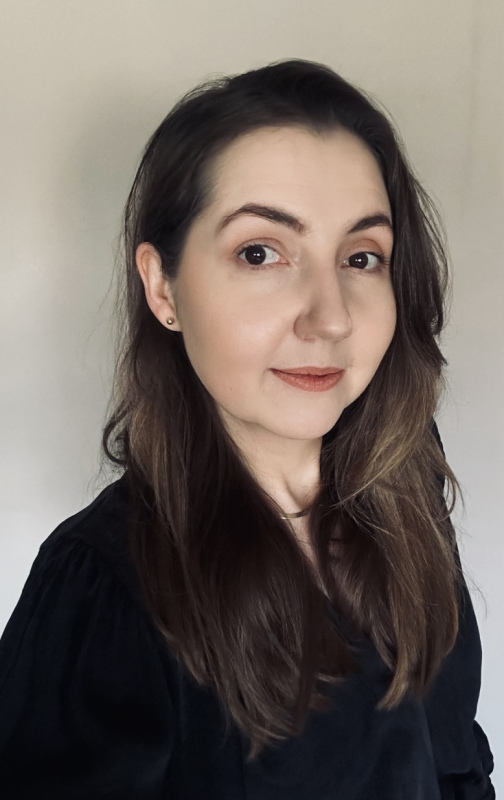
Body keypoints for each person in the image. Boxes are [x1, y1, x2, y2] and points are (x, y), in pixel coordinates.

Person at [0, 59, 495, 799]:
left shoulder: (406, 488)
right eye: (260, 253)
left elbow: (456, 762)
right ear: (163, 288)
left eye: (362, 257)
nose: (330, 317)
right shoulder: (102, 592)